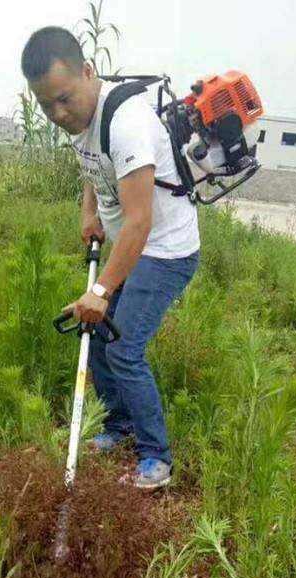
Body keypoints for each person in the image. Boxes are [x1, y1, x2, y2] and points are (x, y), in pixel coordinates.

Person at [21, 26, 200, 490]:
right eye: (45, 106)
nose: (58, 113)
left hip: (164, 250)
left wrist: (100, 291)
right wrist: (90, 212)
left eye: (63, 98)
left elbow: (140, 222)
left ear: (87, 71)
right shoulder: (80, 119)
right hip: (129, 244)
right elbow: (94, 166)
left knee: (124, 347)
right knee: (98, 336)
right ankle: (116, 427)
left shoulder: (127, 123)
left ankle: (155, 457)